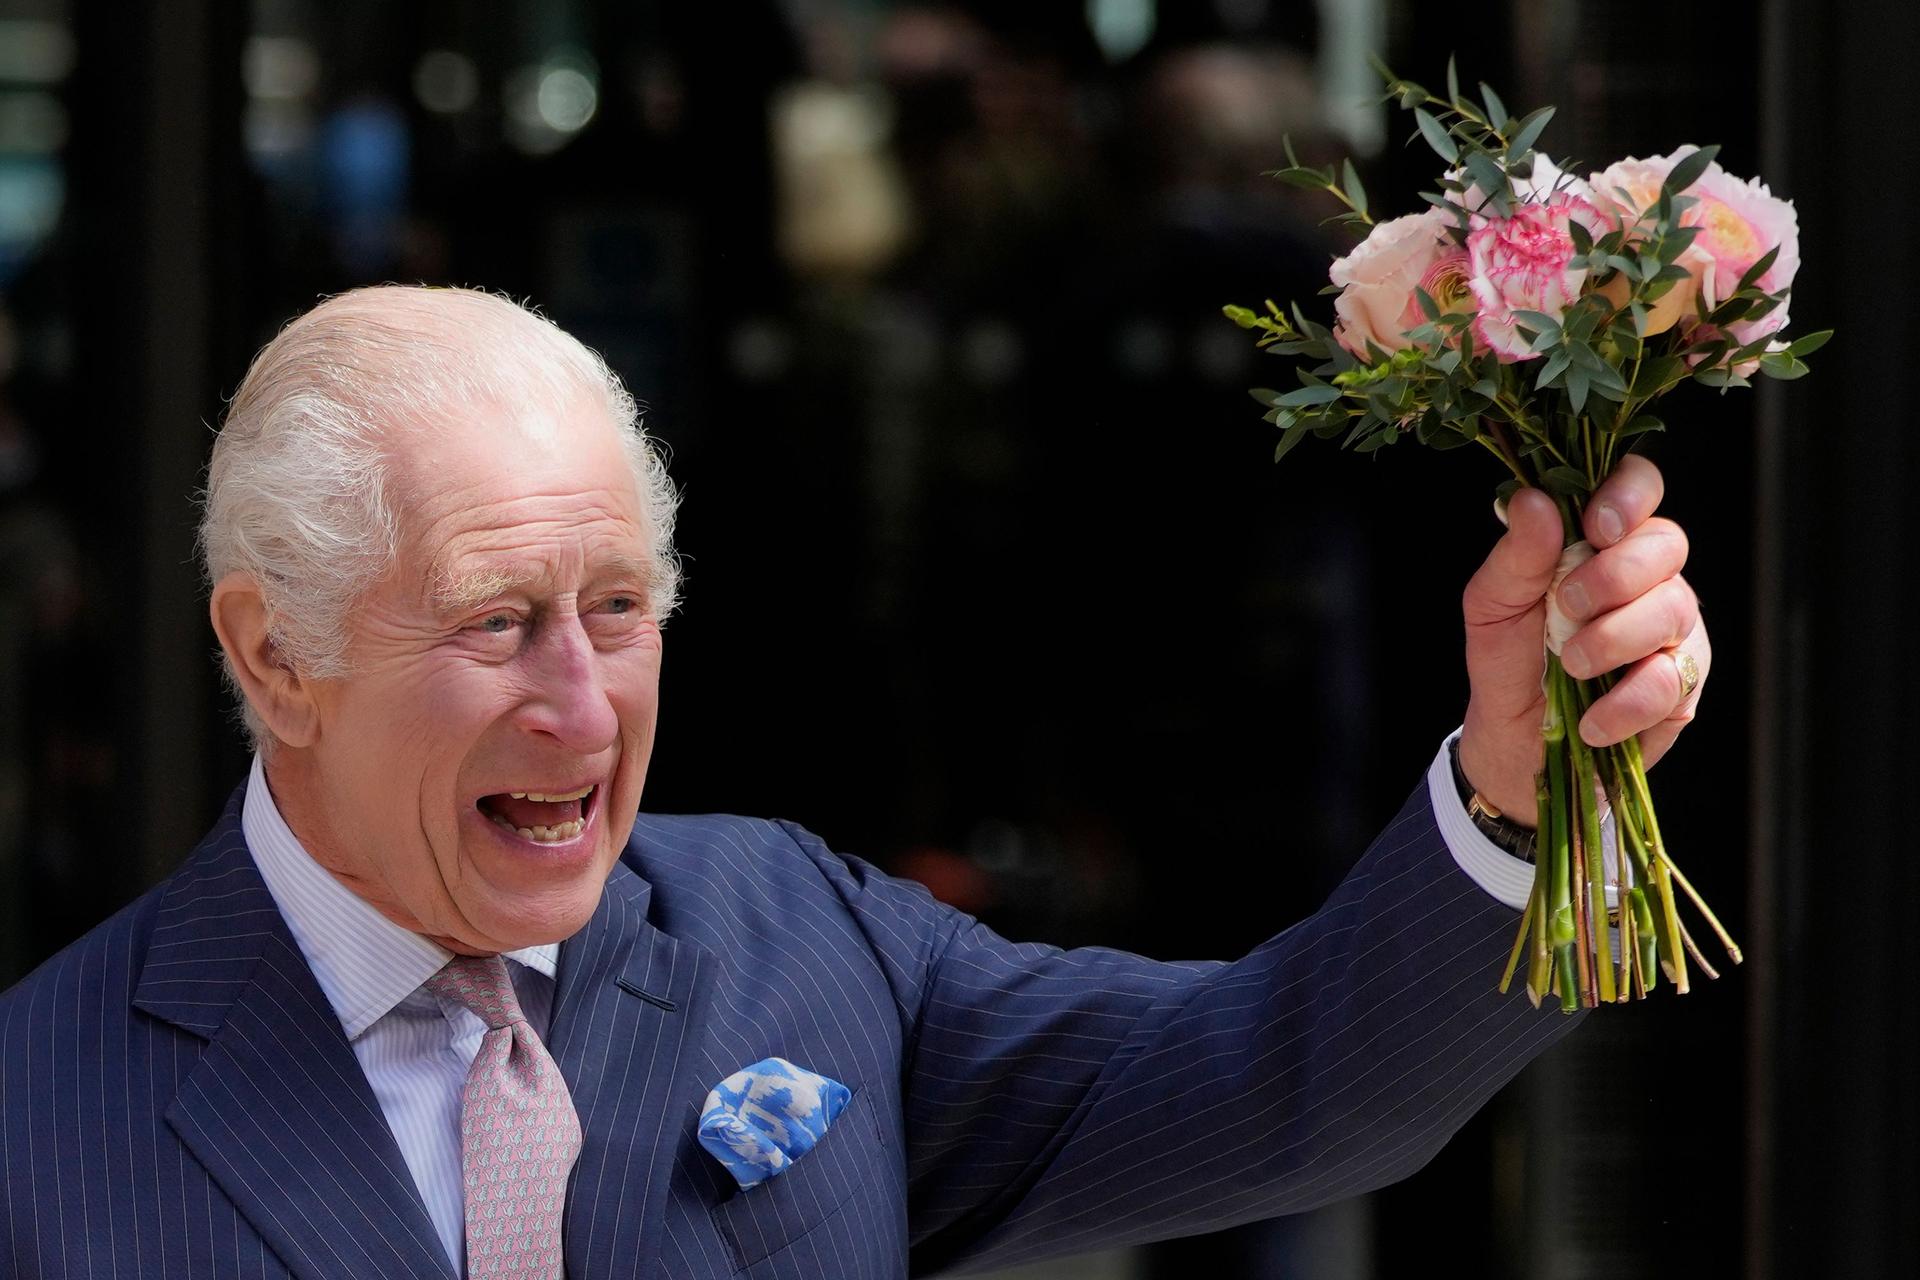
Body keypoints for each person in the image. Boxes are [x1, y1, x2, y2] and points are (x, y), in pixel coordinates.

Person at [0, 286, 1709, 1279]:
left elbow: (1297, 1079)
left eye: (619, 610)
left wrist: (1516, 791)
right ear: (276, 655)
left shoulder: (793, 930)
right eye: (500, 624)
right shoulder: (39, 1116)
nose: (584, 711)